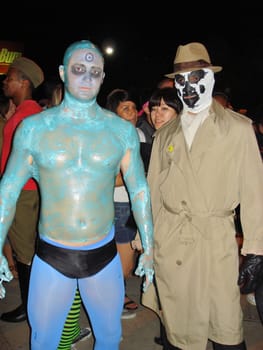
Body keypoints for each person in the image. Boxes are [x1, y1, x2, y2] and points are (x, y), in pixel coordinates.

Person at [0, 39, 154, 350]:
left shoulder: (120, 130)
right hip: (52, 255)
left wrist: (149, 247)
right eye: (79, 69)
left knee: (110, 337)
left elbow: (139, 189)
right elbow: (8, 189)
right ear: (63, 72)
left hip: (103, 253)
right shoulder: (34, 129)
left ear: (103, 77)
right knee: (44, 341)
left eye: (95, 71)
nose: (87, 77)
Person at [142, 41, 263, 350]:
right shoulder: (165, 134)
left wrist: (256, 250)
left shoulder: (238, 128)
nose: (189, 87)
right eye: (181, 81)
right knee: (178, 329)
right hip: (172, 240)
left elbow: (254, 191)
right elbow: (153, 189)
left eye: (196, 77)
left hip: (214, 240)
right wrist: (147, 242)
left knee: (225, 329)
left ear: (210, 77)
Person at [0, 57, 44, 323]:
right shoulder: (29, 112)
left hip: (21, 192)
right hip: (27, 190)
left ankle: (31, 308)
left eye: (10, 77)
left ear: (23, 82)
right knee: (27, 252)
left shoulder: (26, 116)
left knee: (25, 254)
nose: (5, 82)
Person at [105, 88, 145, 319]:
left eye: (133, 108)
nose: (132, 114)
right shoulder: (109, 138)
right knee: (122, 263)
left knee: (125, 263)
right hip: (117, 205)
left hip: (130, 205)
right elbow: (111, 178)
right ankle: (115, 300)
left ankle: (113, 296)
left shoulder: (139, 135)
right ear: (114, 113)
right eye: (125, 109)